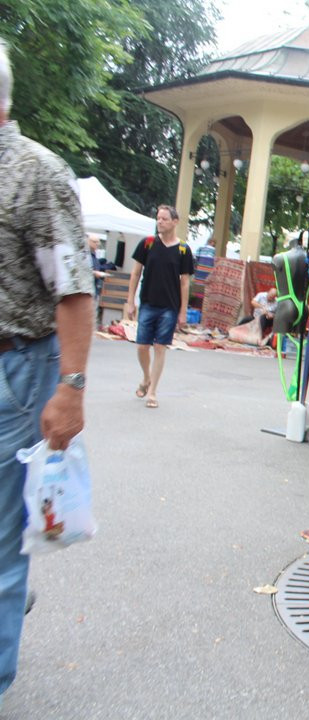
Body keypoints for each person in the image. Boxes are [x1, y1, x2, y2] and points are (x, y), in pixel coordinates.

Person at [0, 38, 95, 701]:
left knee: (1, 542)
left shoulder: (37, 173)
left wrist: (71, 386)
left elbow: (74, 290)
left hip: (18, 369)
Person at [124, 205, 194, 409]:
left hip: (169, 307)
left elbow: (184, 282)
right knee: (142, 346)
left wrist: (182, 311)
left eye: (164, 219)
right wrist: (131, 300)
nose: (160, 222)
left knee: (160, 347)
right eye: (158, 218)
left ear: (175, 222)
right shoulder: (147, 244)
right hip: (147, 303)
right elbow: (136, 273)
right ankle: (146, 377)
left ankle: (152, 391)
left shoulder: (183, 250)